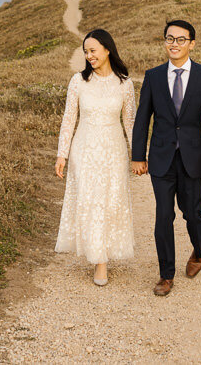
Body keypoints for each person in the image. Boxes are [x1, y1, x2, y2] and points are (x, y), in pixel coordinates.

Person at [131, 19, 201, 296]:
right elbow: (142, 118)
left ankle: (199, 247)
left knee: (192, 214)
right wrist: (138, 155)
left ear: (191, 44)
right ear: (165, 42)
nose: (175, 44)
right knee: (163, 216)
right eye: (170, 38)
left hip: (194, 157)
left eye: (181, 39)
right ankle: (166, 275)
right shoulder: (153, 76)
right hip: (161, 157)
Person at [54, 28, 136, 285]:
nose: (89, 56)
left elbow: (130, 123)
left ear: (107, 49)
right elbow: (69, 119)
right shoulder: (78, 81)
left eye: (93, 51)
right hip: (85, 148)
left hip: (114, 150)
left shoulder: (125, 84)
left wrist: (138, 157)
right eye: (86, 52)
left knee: (110, 201)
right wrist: (62, 155)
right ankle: (99, 260)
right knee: (90, 201)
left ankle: (104, 254)